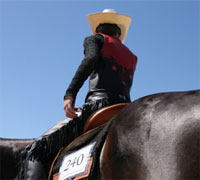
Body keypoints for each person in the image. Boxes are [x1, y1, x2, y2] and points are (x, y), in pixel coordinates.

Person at [18, 9, 138, 180]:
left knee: (35, 150)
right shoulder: (132, 56)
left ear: (98, 30)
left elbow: (90, 59)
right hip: (124, 109)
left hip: (98, 106)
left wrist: (70, 94)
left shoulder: (95, 39)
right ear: (119, 33)